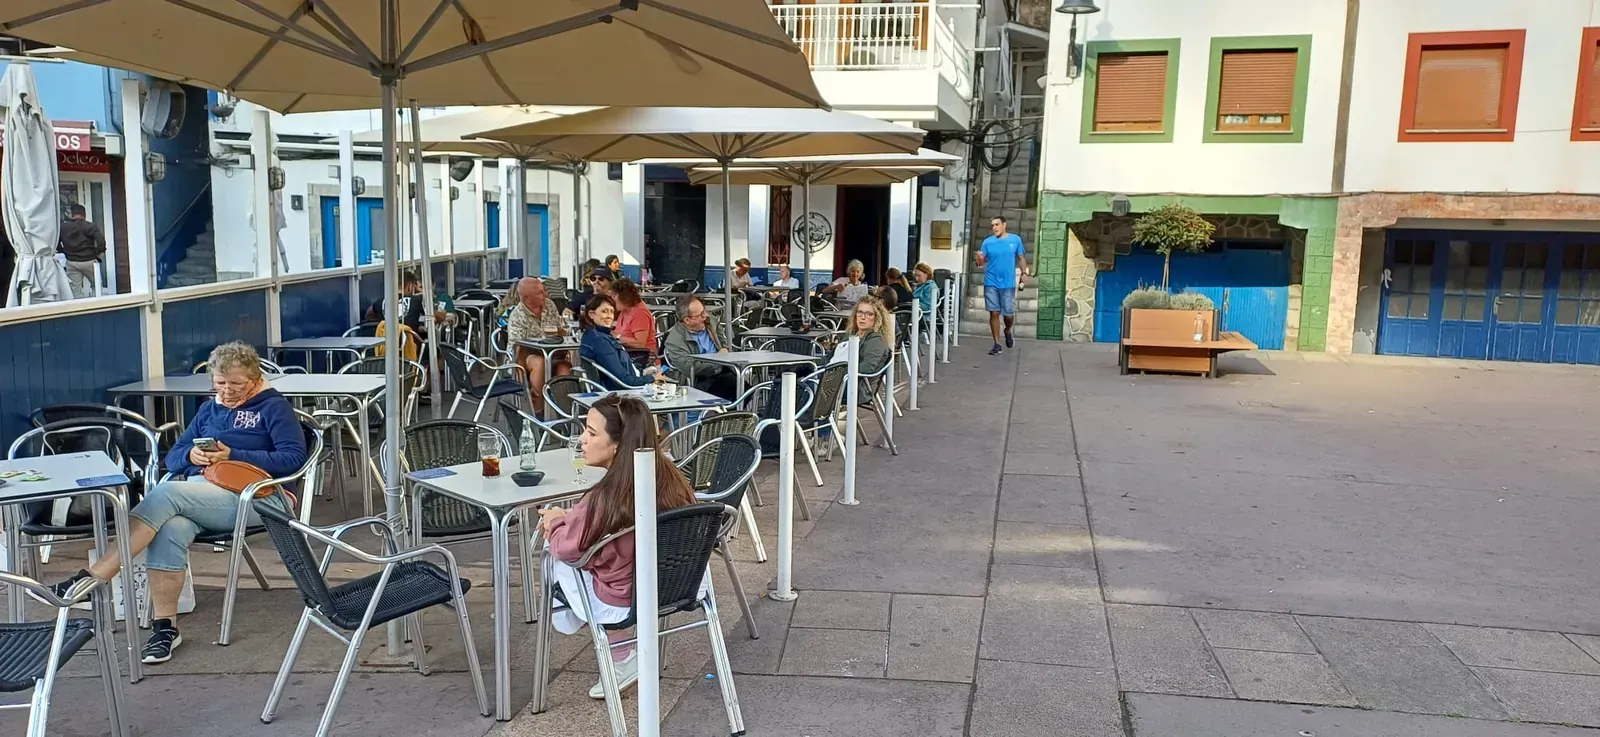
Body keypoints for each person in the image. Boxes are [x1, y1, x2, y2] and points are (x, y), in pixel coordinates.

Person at [51, 342, 308, 665]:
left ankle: (91, 579)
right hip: (205, 493)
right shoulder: (210, 409)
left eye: (236, 384)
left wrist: (233, 455)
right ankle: (165, 629)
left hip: (261, 496)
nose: (227, 391)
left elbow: (293, 458)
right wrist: (192, 455)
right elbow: (173, 457)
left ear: (255, 379)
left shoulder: (274, 407)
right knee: (171, 527)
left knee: (166, 494)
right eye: (220, 383)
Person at [540, 395, 697, 699]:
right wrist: (570, 518)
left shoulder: (605, 498)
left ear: (617, 445)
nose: (582, 440)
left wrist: (554, 523)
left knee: (553, 556)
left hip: (624, 599)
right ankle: (623, 654)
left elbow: (569, 548)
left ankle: (621, 655)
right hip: (677, 586)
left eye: (591, 432)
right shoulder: (672, 478)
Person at [507, 277, 570, 411]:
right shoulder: (517, 316)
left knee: (564, 367)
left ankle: (562, 411)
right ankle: (539, 412)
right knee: (539, 363)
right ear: (526, 298)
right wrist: (521, 378)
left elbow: (561, 331)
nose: (545, 294)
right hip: (523, 358)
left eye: (544, 290)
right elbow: (518, 349)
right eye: (540, 292)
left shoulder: (549, 305)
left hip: (551, 354)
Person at [578, 294, 664, 389]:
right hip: (620, 393)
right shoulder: (600, 342)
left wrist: (642, 373)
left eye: (611, 312)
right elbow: (626, 381)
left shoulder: (591, 335)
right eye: (604, 311)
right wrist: (652, 378)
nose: (609, 316)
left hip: (613, 388)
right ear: (591, 314)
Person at [663, 295, 738, 399]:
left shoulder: (710, 320)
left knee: (744, 387)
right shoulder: (674, 341)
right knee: (736, 389)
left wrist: (724, 348)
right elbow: (690, 368)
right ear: (687, 320)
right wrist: (718, 360)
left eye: (704, 311)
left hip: (724, 370)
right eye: (700, 314)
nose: (705, 315)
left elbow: (721, 336)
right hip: (699, 380)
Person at [976, 215, 1029, 355]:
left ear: (1004, 225)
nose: (994, 228)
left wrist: (1024, 273)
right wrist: (979, 259)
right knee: (994, 312)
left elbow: (1021, 258)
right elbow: (980, 263)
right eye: (992, 225)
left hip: (1008, 283)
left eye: (997, 224)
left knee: (1008, 315)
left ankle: (1007, 330)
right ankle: (997, 344)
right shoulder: (987, 242)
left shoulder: (1015, 240)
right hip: (991, 282)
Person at [829, 295, 893, 380]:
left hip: (847, 383)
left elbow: (867, 367)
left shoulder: (876, 340)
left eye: (869, 314)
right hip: (829, 377)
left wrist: (837, 374)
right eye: (860, 312)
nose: (862, 317)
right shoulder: (851, 333)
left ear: (877, 318)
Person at [58, 203, 105, 299]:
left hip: (71, 262)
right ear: (84, 214)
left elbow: (57, 243)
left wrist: (64, 252)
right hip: (89, 260)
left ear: (72, 214)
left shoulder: (63, 228)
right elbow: (101, 242)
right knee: (96, 285)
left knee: (75, 290)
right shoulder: (91, 226)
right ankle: (96, 304)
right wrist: (97, 254)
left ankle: (79, 306)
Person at [610, 277, 658, 362]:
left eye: (614, 296)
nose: (611, 299)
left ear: (624, 296)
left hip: (643, 361)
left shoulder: (640, 313)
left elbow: (640, 343)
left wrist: (617, 336)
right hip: (627, 357)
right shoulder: (624, 310)